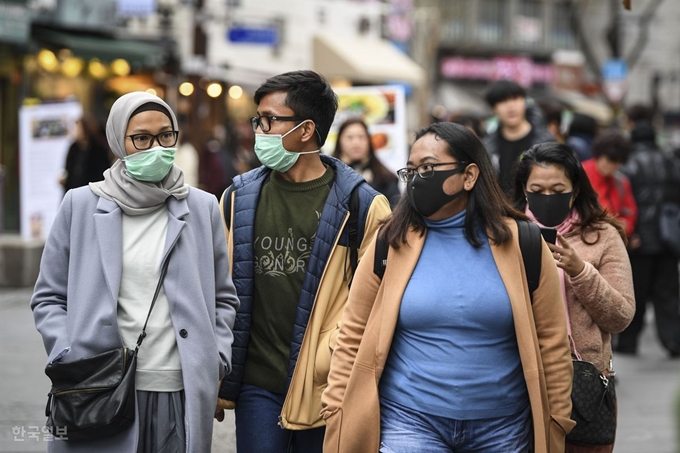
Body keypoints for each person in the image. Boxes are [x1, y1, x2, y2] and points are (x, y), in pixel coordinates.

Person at [321, 122, 575, 453]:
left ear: (469, 176)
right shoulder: (391, 241)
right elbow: (352, 332)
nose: (416, 179)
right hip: (409, 422)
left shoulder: (523, 242)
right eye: (410, 170)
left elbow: (552, 343)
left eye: (428, 168)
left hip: (503, 428)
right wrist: (336, 406)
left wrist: (557, 419)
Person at [30, 91, 240, 453]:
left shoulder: (203, 207)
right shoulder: (80, 205)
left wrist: (215, 359)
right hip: (96, 388)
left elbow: (224, 297)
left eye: (165, 135)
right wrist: (67, 352)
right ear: (118, 142)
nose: (155, 146)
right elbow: (48, 296)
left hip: (179, 389)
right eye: (141, 138)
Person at [214, 70, 392, 453]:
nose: (259, 130)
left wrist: (331, 362)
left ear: (307, 129)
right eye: (257, 119)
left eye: (269, 120)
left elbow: (378, 302)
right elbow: (216, 289)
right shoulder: (237, 198)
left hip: (327, 383)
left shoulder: (363, 206)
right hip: (257, 385)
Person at [512, 142, 636, 453]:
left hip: (581, 383)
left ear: (575, 190)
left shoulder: (603, 235)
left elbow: (620, 316)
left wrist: (579, 271)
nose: (547, 197)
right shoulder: (505, 232)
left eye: (558, 189)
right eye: (537, 189)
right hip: (516, 380)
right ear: (524, 190)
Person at [617, 110, 680, 357]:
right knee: (668, 293)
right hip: (667, 236)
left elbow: (627, 202)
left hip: (640, 239)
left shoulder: (630, 164)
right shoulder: (669, 162)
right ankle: (674, 341)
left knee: (637, 293)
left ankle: (629, 343)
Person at [483, 79, 556, 196]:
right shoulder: (487, 147)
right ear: (494, 109)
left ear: (525, 101)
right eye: (503, 101)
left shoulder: (546, 142)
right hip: (500, 211)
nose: (510, 106)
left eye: (515, 98)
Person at [332, 118, 400, 207]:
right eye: (349, 137)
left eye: (361, 137)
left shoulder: (385, 178)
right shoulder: (330, 174)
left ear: (369, 141)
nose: (356, 143)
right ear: (339, 142)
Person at [582, 129, 637, 238]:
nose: (610, 166)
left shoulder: (621, 183)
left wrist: (623, 227)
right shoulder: (580, 175)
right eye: (608, 160)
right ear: (598, 155)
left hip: (611, 240)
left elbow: (629, 213)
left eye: (616, 163)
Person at [60, 116, 112, 192]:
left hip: (92, 191)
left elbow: (102, 172)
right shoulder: (73, 148)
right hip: (74, 191)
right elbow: (68, 169)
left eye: (78, 128)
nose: (75, 131)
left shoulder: (98, 150)